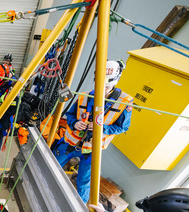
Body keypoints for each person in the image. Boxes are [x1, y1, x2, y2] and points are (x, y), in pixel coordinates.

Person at [53, 60, 132, 204]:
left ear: (115, 82)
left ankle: (81, 207)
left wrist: (102, 129)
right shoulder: (84, 96)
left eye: (106, 86)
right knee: (51, 167)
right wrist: (75, 123)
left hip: (92, 150)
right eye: (100, 84)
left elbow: (123, 127)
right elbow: (70, 115)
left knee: (84, 181)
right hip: (70, 144)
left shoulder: (124, 102)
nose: (102, 89)